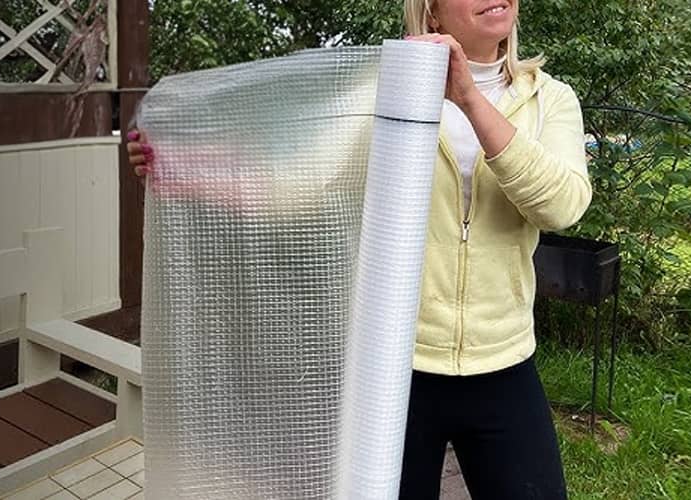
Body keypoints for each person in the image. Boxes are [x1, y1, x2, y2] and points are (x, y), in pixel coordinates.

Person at [128, 0, 592, 497]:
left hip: (503, 362)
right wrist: (185, 171)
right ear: (432, 13)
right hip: (397, 367)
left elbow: (561, 206)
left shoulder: (550, 99)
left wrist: (469, 99)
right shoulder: (388, 94)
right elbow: (296, 185)